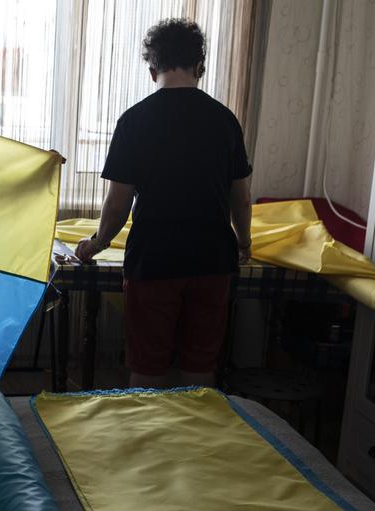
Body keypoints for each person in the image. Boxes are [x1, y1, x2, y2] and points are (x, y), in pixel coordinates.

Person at [74, 18, 253, 390]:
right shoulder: (225, 121)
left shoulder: (134, 121)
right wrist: (244, 241)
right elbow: (241, 196)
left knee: (147, 367)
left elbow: (118, 202)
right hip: (211, 260)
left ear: (152, 68)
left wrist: (98, 242)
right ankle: (192, 446)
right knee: (200, 368)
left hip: (154, 260)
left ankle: (145, 444)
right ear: (200, 66)